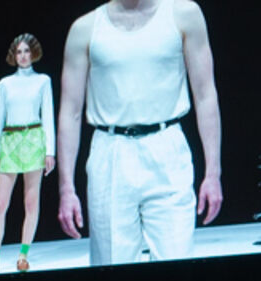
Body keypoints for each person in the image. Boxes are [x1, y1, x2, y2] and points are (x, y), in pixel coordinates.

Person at [55, 0, 224, 266]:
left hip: (167, 147)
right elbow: (70, 112)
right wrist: (66, 188)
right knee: (112, 268)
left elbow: (205, 95)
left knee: (176, 263)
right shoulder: (86, 28)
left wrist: (213, 173)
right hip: (110, 152)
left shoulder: (183, 14)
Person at [0, 34, 58, 275]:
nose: (23, 56)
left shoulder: (43, 81)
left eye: (27, 51)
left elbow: (48, 115)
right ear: (13, 55)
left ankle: (23, 255)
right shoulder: (5, 84)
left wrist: (50, 151)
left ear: (33, 52)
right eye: (19, 51)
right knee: (0, 204)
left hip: (34, 140)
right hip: (10, 142)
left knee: (31, 202)